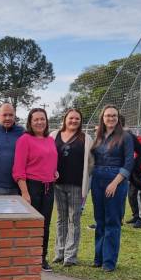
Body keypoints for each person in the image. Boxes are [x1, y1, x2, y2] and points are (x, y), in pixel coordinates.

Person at [90, 104, 134, 272]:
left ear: (118, 118)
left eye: (114, 116)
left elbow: (129, 162)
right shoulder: (99, 136)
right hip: (98, 180)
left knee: (112, 221)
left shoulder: (125, 137)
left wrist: (115, 183)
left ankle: (109, 261)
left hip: (115, 181)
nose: (111, 118)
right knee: (100, 221)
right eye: (108, 116)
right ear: (102, 117)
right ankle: (98, 258)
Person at [13, 108, 58, 272]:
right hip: (31, 187)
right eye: (36, 119)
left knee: (44, 225)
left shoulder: (50, 140)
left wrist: (54, 171)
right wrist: (25, 192)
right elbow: (18, 169)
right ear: (30, 122)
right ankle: (26, 258)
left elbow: (50, 160)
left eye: (42, 119)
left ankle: (41, 257)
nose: (40, 122)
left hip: (49, 187)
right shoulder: (24, 140)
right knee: (30, 225)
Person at [50, 109, 93, 267]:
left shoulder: (86, 138)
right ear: (65, 119)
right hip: (58, 184)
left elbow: (90, 163)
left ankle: (70, 256)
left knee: (73, 219)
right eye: (71, 118)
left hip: (76, 185)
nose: (74, 121)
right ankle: (59, 252)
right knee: (61, 219)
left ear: (80, 121)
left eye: (77, 118)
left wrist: (85, 182)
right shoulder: (54, 135)